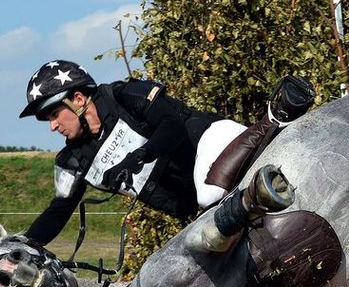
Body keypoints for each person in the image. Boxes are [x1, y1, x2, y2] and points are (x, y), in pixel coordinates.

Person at [18, 60, 314, 246]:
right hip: (200, 209)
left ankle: (275, 118)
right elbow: (58, 212)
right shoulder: (74, 160)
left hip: (212, 142)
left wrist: (139, 155)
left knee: (209, 193)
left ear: (78, 99)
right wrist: (22, 244)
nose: (53, 126)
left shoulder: (126, 95)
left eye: (55, 115)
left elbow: (171, 127)